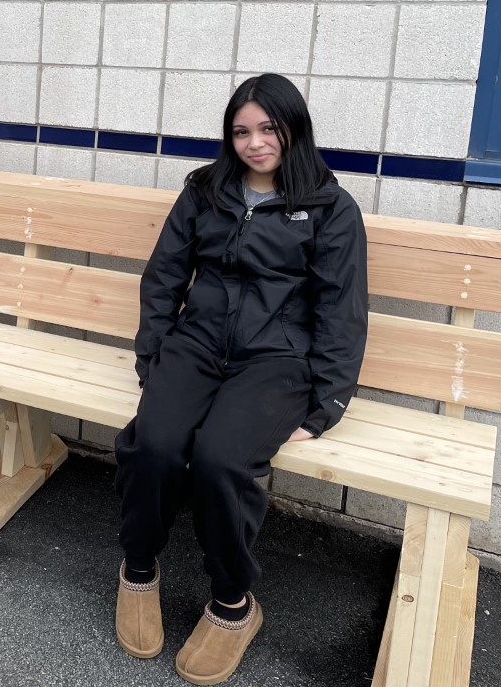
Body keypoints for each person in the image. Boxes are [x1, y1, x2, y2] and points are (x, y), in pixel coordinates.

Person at [113, 73, 368, 685]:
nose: (255, 143)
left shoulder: (330, 208)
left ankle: (233, 602)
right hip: (196, 344)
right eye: (241, 132)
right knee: (155, 442)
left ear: (292, 129)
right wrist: (153, 354)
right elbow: (165, 274)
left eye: (267, 129)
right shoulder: (205, 191)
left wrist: (325, 402)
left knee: (223, 458)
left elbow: (341, 308)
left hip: (275, 361)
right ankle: (138, 568)